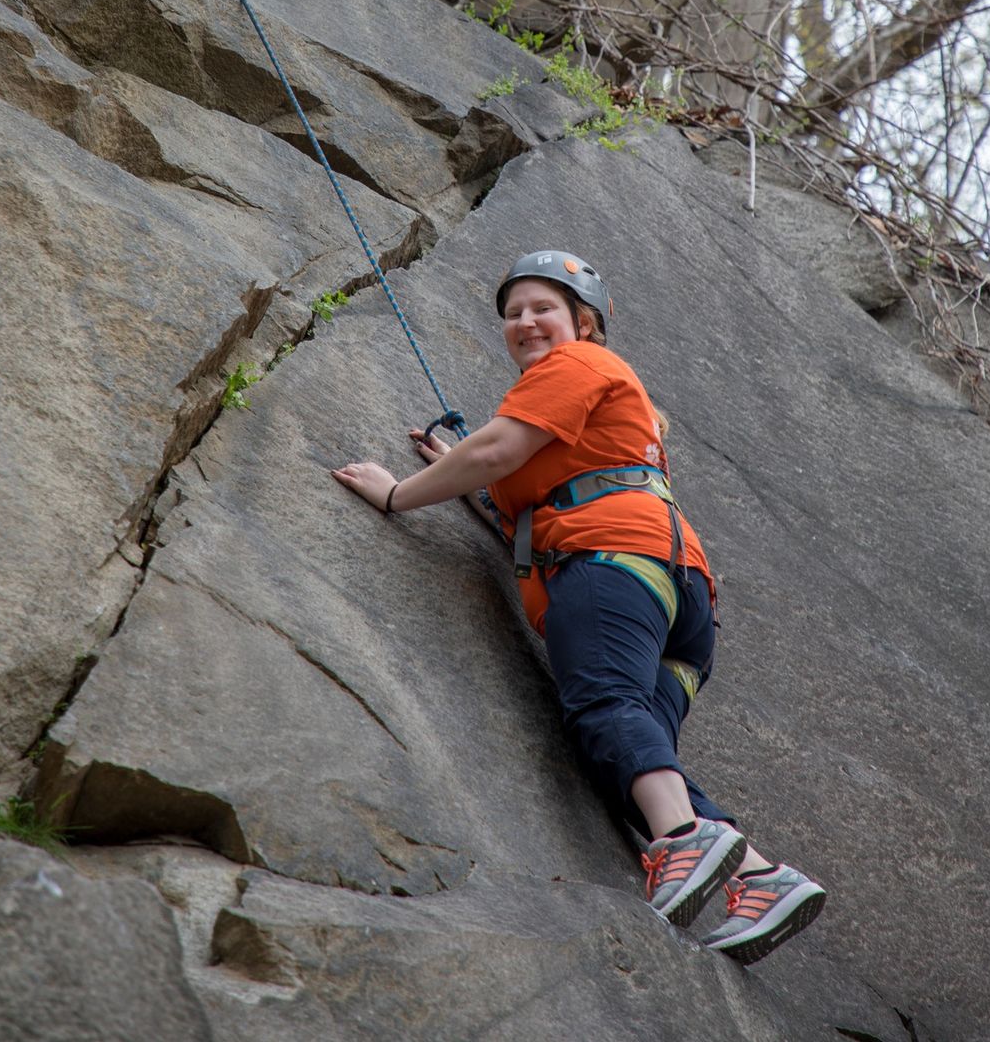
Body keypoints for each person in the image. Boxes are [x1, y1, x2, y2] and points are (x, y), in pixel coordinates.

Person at [332, 249, 825, 963]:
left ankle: (685, 842)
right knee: (625, 751)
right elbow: (521, 481)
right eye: (512, 313)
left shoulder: (578, 365)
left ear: (584, 323)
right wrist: (463, 468)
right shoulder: (592, 408)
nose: (525, 322)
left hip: (612, 567)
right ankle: (760, 878)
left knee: (605, 705)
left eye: (543, 308)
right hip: (676, 604)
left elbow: (499, 449)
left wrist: (402, 492)